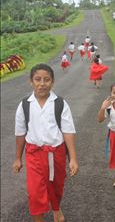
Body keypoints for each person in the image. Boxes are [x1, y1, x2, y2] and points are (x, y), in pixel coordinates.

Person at [12, 63, 79, 222]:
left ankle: (56, 208)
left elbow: (68, 131)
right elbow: (20, 133)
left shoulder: (60, 104)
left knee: (56, 187)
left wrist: (73, 159)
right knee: (35, 193)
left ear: (53, 82)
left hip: (56, 153)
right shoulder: (25, 105)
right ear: (31, 81)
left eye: (46, 80)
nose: (42, 83)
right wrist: (17, 158)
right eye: (38, 79)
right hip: (34, 154)